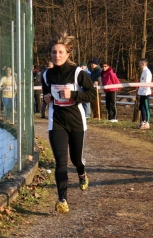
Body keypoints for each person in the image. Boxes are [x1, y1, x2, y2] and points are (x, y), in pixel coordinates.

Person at [42, 32, 97, 214]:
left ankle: (82, 174)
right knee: (61, 162)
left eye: (60, 52)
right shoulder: (46, 75)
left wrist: (73, 95)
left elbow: (91, 94)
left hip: (76, 122)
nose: (56, 55)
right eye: (53, 52)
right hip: (56, 122)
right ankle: (62, 199)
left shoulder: (78, 73)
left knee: (76, 160)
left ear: (67, 54)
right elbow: (46, 95)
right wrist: (47, 98)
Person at [137, 58, 152, 129]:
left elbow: (147, 83)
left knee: (146, 107)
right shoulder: (143, 71)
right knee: (141, 107)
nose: (139, 64)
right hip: (142, 92)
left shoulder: (147, 72)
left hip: (145, 93)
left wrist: (145, 92)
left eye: (140, 63)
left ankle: (147, 122)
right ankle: (143, 121)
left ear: (143, 64)